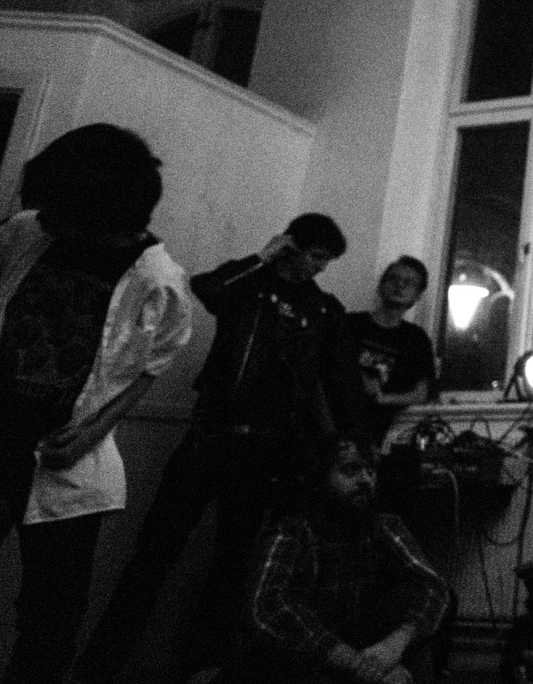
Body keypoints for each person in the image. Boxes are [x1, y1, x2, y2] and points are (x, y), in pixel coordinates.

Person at [76, 213, 350, 684]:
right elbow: (206, 289)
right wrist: (263, 257)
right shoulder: (252, 285)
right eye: (317, 256)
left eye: (327, 260)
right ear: (295, 246)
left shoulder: (321, 309)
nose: (320, 267)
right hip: (211, 436)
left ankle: (202, 669)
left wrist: (334, 440)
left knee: (231, 565)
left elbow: (321, 380)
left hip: (264, 450)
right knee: (154, 553)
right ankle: (99, 667)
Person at [0, 124, 193, 684]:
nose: (44, 220)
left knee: (50, 617)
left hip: (64, 460)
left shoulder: (159, 281)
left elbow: (154, 365)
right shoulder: (26, 232)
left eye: (57, 213)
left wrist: (93, 430)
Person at [228, 436, 450, 684]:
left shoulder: (383, 526)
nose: (365, 480)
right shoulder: (292, 531)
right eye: (350, 470)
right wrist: (358, 665)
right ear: (320, 479)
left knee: (416, 602)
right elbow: (266, 608)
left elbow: (434, 587)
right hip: (306, 660)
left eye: (370, 471)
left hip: (363, 649)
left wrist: (395, 645)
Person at [339, 256, 437, 448]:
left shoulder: (416, 339)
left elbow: (421, 393)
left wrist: (382, 398)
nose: (399, 285)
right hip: (332, 423)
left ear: (417, 295)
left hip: (371, 433)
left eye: (409, 282)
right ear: (381, 284)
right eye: (394, 278)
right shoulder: (350, 324)